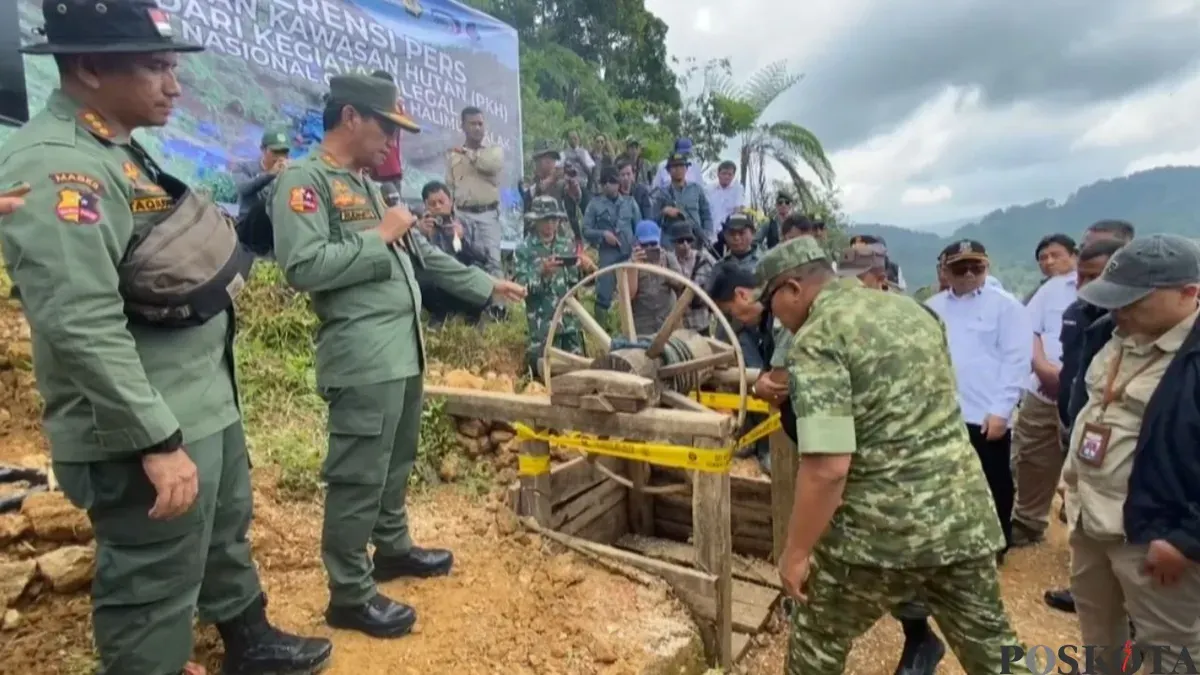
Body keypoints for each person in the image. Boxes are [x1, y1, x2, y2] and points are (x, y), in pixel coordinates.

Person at [1, 3, 332, 674]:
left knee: (220, 536)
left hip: (196, 399)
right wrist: (154, 438)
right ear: (89, 67)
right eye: (155, 67)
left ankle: (248, 637)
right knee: (153, 581)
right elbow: (80, 321)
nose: (173, 84)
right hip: (141, 423)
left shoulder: (113, 146)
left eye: (172, 66)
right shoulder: (62, 166)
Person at [270, 73, 526, 639]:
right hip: (361, 355)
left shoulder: (366, 186)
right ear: (351, 118)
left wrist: (486, 285)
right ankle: (349, 593)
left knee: (395, 461)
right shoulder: (304, 182)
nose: (392, 140)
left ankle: (391, 548)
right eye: (387, 126)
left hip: (401, 350)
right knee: (357, 474)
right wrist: (377, 237)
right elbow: (302, 265)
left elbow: (424, 261)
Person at [758, 237, 1028, 675]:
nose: (777, 317)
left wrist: (796, 553)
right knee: (996, 651)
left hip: (876, 533)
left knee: (818, 640)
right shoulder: (916, 313)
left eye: (773, 304)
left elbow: (828, 467)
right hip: (960, 519)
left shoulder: (819, 337)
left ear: (792, 288)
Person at [1064, 235, 1200, 667]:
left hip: (1156, 537)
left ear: (1189, 293)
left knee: (1172, 649)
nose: (1118, 309)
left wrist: (1187, 540)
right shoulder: (1111, 333)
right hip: (1091, 520)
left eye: (1134, 300)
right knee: (1099, 633)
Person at [925, 240, 1032, 559]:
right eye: (961, 267)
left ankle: (996, 543)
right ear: (945, 270)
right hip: (944, 413)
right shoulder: (932, 307)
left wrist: (1002, 410)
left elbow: (1016, 361)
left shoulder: (1006, 306)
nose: (969, 273)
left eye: (977, 266)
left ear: (988, 267)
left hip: (986, 414)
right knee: (946, 480)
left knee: (993, 480)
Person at [1043, 237, 1126, 615]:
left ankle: (1131, 619)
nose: (1086, 287)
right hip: (1080, 430)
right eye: (1082, 278)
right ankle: (1092, 592)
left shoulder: (1132, 325)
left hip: (1123, 458)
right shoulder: (1082, 315)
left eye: (1095, 277)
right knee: (1081, 518)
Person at [1012, 234, 1078, 548]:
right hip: (1042, 388)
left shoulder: (1109, 291)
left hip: (1086, 391)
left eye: (1056, 255)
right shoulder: (1048, 291)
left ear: (1074, 255)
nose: (1049, 262)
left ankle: (1087, 534)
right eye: (1043, 257)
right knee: (1033, 455)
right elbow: (1029, 329)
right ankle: (1028, 521)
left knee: (1089, 462)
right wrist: (1040, 366)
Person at [514, 196, 595, 373]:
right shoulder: (524, 250)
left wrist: (588, 269)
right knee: (545, 377)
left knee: (578, 375)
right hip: (544, 328)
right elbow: (520, 289)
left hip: (571, 326)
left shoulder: (567, 245)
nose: (550, 224)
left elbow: (579, 282)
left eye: (554, 219)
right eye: (545, 219)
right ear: (535, 221)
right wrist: (541, 274)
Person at [417, 181, 490, 326]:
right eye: (432, 203)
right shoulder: (421, 225)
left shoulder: (466, 223)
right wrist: (422, 235)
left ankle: (471, 316)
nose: (438, 206)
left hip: (463, 278)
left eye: (441, 201)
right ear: (425, 205)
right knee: (421, 275)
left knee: (481, 272)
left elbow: (483, 256)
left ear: (451, 202)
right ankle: (439, 315)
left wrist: (463, 240)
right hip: (439, 282)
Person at [446, 106, 505, 276]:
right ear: (463, 126)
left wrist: (467, 153)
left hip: (487, 214)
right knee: (461, 259)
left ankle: (498, 303)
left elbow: (489, 165)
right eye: (472, 124)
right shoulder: (454, 156)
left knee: (492, 262)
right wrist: (450, 216)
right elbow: (449, 185)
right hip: (461, 214)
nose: (477, 128)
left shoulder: (494, 151)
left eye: (480, 123)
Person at [581, 166, 638, 318]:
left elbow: (639, 228)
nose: (607, 185)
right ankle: (601, 328)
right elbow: (585, 230)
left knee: (634, 293)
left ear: (618, 183)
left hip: (629, 254)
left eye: (611, 181)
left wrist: (637, 250)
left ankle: (629, 326)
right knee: (603, 293)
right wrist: (603, 234)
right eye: (604, 182)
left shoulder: (630, 203)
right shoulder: (595, 204)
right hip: (607, 254)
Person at [628, 220, 682, 335]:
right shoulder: (630, 264)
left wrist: (663, 271)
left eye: (653, 244)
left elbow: (680, 284)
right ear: (637, 243)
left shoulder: (668, 258)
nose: (649, 248)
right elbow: (629, 295)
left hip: (667, 320)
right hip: (643, 324)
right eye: (644, 245)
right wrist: (633, 266)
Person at [526, 140, 587, 243]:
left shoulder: (560, 183)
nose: (550, 161)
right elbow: (528, 195)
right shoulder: (528, 181)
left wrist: (574, 187)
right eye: (546, 158)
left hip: (559, 235)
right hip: (535, 236)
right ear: (537, 161)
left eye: (553, 158)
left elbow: (577, 199)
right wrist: (551, 179)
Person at [665, 222, 716, 334]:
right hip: (678, 325)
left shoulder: (705, 258)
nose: (685, 244)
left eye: (688, 240)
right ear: (674, 243)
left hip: (701, 321)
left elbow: (719, 277)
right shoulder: (667, 260)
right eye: (681, 241)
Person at [651, 153, 711, 246]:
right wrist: (664, 211)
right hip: (671, 242)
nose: (678, 169)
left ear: (686, 169)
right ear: (668, 170)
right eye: (674, 167)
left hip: (694, 240)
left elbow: (706, 214)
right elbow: (652, 220)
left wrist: (707, 233)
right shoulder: (662, 194)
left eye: (681, 166)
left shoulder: (696, 189)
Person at [232, 127, 291, 220]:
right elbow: (243, 188)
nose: (281, 157)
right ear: (263, 149)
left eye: (284, 153)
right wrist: (270, 175)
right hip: (247, 224)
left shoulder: (289, 172)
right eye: (275, 152)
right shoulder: (245, 167)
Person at [705, 160, 744, 242]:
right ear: (718, 174)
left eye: (730, 174)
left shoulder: (738, 189)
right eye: (724, 173)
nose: (727, 177)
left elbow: (737, 210)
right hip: (711, 230)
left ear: (733, 176)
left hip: (728, 231)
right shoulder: (708, 189)